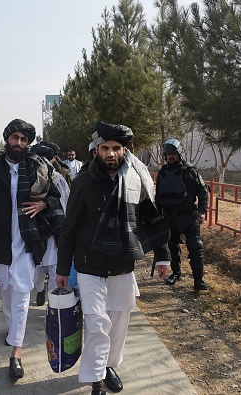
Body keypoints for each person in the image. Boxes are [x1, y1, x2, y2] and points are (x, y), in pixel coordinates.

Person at [56, 121, 171, 395]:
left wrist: (163, 256)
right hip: (89, 266)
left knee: (118, 325)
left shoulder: (134, 181)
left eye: (116, 148)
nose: (110, 153)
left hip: (122, 265)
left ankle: (108, 365)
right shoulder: (82, 183)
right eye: (105, 148)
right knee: (97, 325)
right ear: (96, 149)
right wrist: (62, 269)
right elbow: (69, 229)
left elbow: (149, 219)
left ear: (125, 150)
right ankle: (96, 381)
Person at [0, 119, 63, 379]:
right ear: (6, 140)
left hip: (27, 242)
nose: (19, 143)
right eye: (15, 138)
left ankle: (16, 352)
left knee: (22, 295)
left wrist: (43, 205)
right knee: (8, 295)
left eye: (24, 139)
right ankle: (14, 334)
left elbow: (55, 197)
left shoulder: (37, 168)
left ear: (28, 142)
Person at [155, 138, 209, 289]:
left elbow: (203, 191)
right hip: (169, 217)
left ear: (179, 154)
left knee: (195, 246)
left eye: (173, 153)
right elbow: (158, 195)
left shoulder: (189, 171)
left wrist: (202, 211)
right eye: (168, 154)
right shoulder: (163, 172)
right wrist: (158, 216)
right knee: (172, 246)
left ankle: (198, 281)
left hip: (189, 216)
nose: (170, 156)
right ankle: (176, 274)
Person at [31, 141, 71, 306]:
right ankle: (40, 289)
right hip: (38, 231)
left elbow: (66, 202)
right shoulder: (29, 177)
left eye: (46, 158)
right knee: (38, 273)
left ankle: (54, 306)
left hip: (56, 230)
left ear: (53, 159)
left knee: (56, 269)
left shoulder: (59, 178)